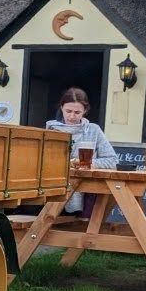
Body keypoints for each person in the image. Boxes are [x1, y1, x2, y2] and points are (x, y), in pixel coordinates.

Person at [46, 87, 117, 216]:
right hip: (53, 191)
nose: (72, 116)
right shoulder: (50, 130)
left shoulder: (93, 130)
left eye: (77, 112)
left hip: (85, 193)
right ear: (61, 108)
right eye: (68, 111)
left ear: (85, 111)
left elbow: (112, 161)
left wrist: (86, 163)